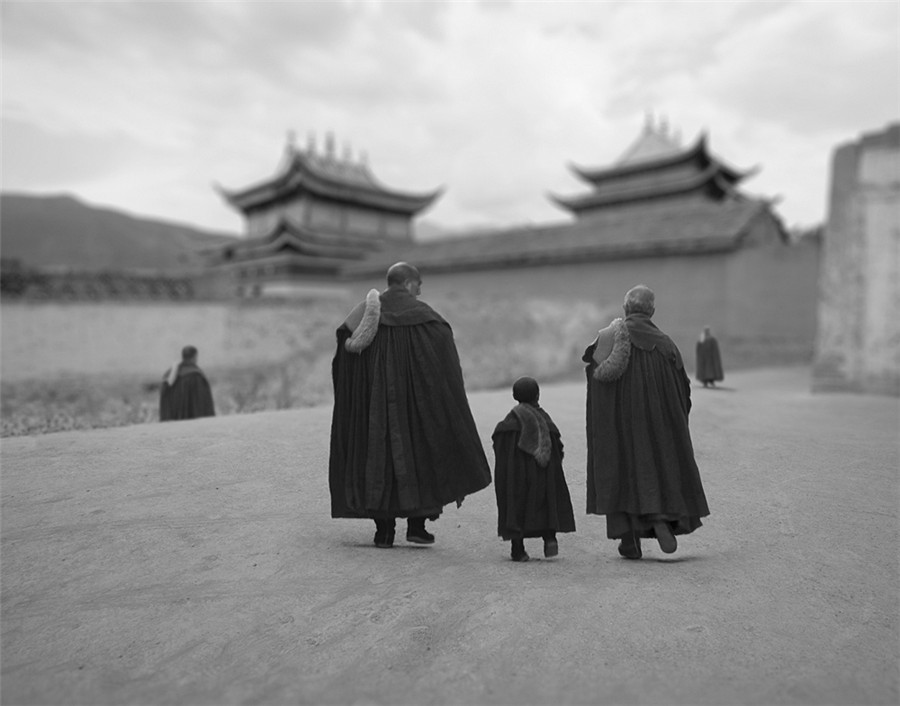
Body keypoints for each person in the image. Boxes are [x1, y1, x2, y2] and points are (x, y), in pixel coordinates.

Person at [329, 262, 492, 548]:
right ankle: (416, 527)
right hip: (418, 407)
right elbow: (446, 364)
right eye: (418, 285)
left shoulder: (366, 313)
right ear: (407, 284)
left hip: (375, 409)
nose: (420, 290)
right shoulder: (427, 318)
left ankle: (384, 532)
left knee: (378, 460)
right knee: (422, 456)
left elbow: (344, 344)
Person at [583, 285, 709, 559]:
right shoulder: (666, 344)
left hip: (617, 427)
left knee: (620, 471)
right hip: (658, 429)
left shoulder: (607, 339)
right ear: (651, 311)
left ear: (625, 308)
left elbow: (595, 385)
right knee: (655, 468)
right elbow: (683, 393)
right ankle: (659, 516)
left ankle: (629, 540)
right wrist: (673, 425)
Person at [492, 376, 576, 562]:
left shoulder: (509, 423)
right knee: (547, 500)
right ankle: (549, 538)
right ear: (538, 395)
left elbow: (499, 444)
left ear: (514, 396)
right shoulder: (546, 421)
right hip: (543, 473)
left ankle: (518, 549)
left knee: (517, 505)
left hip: (516, 476)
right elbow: (557, 447)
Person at [159, 345, 215, 422]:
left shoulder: (170, 373)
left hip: (174, 418)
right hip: (193, 419)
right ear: (194, 357)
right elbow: (203, 400)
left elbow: (164, 392)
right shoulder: (196, 375)